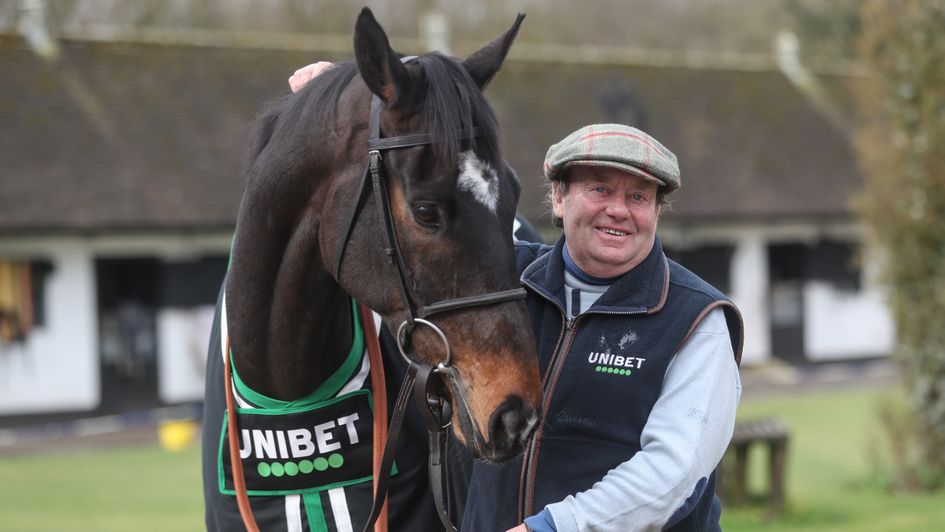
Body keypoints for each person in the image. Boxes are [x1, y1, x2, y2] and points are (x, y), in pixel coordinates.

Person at [289, 64, 743, 532]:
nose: (618, 210)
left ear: (656, 211)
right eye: (600, 188)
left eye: (639, 197)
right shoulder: (505, 281)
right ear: (559, 198)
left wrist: (550, 528)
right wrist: (350, 102)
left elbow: (673, 474)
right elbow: (435, 196)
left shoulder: (697, 319)